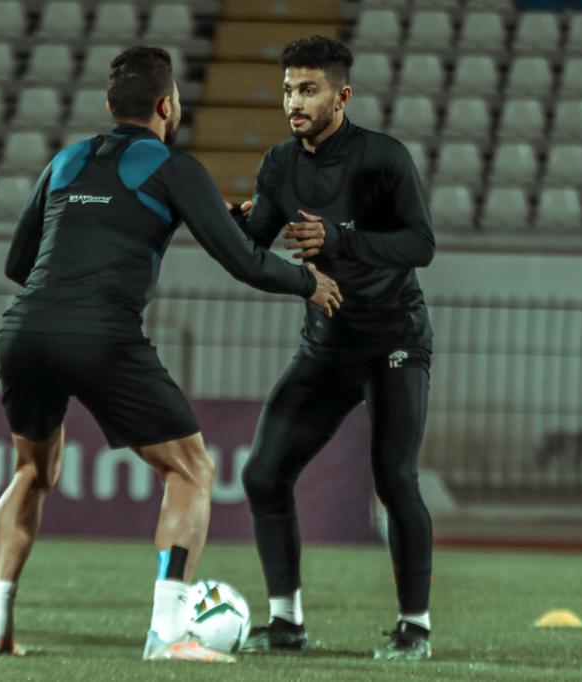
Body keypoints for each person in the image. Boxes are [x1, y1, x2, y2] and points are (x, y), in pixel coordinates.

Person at [0, 46, 342, 663]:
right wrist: (309, 282)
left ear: (110, 105)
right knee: (191, 472)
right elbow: (243, 260)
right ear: (167, 106)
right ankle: (167, 632)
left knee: (31, 472)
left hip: (25, 329)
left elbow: (18, 263)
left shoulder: (65, 160)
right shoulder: (174, 167)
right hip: (102, 333)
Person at [229, 36, 437, 661]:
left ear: (341, 96)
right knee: (263, 474)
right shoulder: (279, 164)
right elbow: (257, 237)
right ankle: (285, 622)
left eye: (309, 89)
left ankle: (415, 627)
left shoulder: (383, 158)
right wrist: (229, 222)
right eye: (289, 89)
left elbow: (420, 244)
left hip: (394, 339)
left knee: (394, 477)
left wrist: (341, 239)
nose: (294, 101)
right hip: (326, 345)